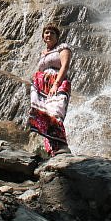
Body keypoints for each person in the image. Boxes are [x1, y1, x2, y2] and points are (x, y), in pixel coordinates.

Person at [29, 23, 72, 156]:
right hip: (41, 88)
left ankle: (63, 146)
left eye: (52, 33)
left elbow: (65, 66)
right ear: (43, 37)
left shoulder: (63, 48)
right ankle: (52, 150)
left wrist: (56, 84)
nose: (49, 35)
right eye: (46, 33)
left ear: (57, 37)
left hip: (57, 83)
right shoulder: (43, 53)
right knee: (43, 115)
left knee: (55, 113)